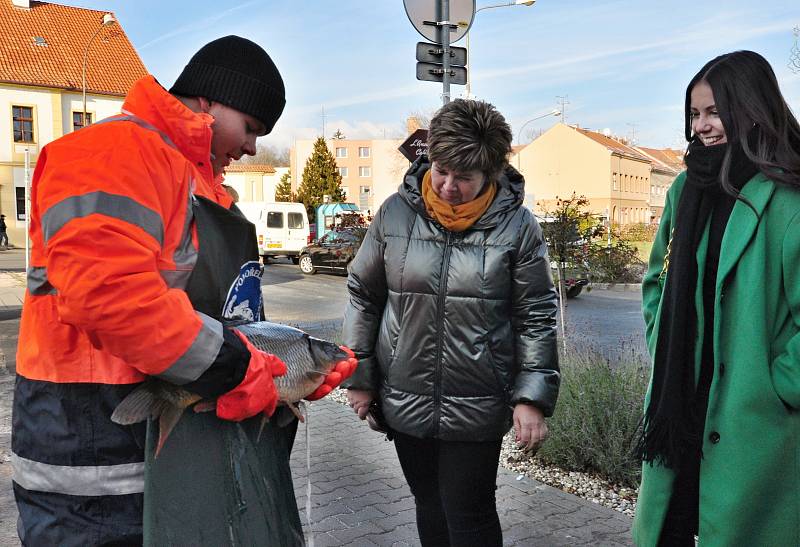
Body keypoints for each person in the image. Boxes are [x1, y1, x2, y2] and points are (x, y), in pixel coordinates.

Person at [11, 35, 355, 545]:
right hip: (95, 464)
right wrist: (239, 369)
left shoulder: (203, 188)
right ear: (211, 99)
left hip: (174, 462)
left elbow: (219, 314)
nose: (253, 148)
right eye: (251, 128)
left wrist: (290, 372)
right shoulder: (111, 153)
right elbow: (109, 297)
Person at [343, 99, 560, 546]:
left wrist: (531, 397)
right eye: (441, 170)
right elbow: (364, 296)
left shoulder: (517, 228)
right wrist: (359, 377)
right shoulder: (394, 214)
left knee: (469, 512)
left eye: (465, 177)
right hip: (405, 392)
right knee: (428, 503)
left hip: (478, 399)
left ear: (491, 173)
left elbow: (535, 315)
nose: (448, 186)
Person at [633, 50, 800, 546]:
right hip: (679, 404)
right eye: (693, 114)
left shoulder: (789, 198)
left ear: (751, 107)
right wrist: (665, 344)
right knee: (670, 530)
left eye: (713, 111)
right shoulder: (684, 188)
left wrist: (778, 386)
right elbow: (655, 279)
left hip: (754, 420)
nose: (701, 126)